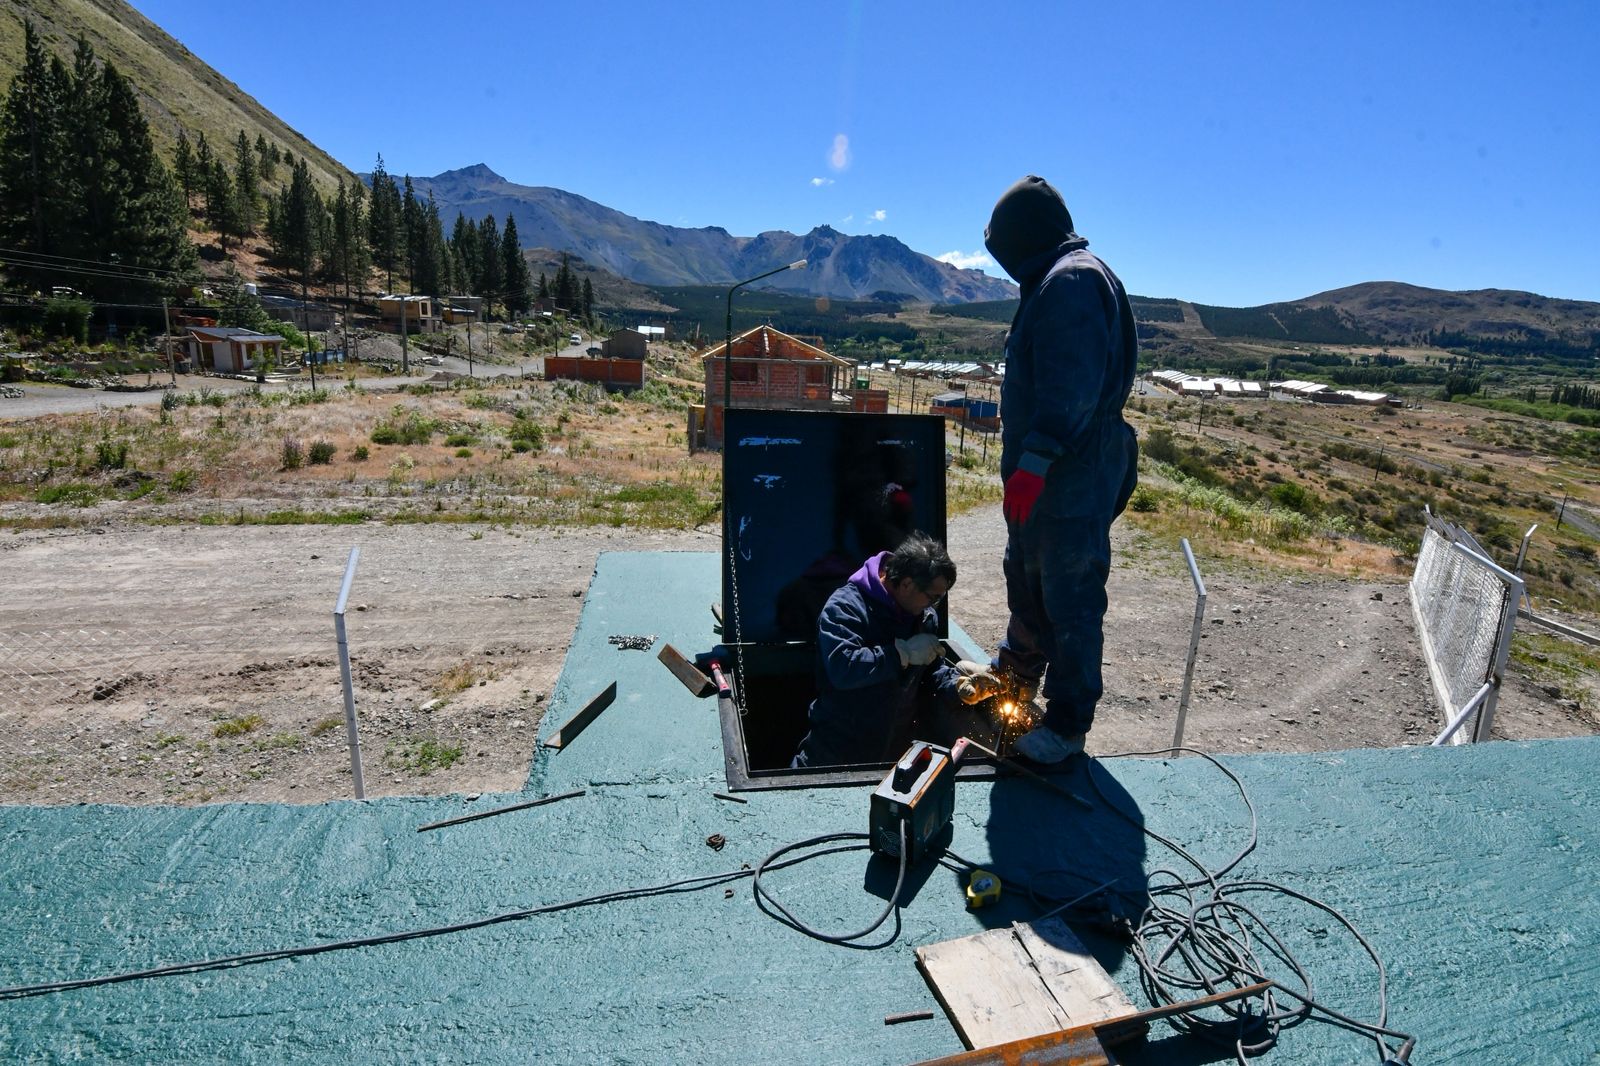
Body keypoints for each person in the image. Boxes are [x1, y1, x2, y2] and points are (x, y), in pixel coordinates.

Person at [982, 175, 1139, 765]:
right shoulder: (1052, 279)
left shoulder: (1071, 281)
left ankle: (1067, 726)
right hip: (1047, 477)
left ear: (1023, 235)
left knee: (1070, 598)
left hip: (1067, 477)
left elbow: (1071, 387)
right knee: (1028, 579)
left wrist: (1037, 459)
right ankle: (1016, 676)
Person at [792, 533, 986, 768]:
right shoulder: (845, 608)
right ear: (906, 584)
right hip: (835, 750)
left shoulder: (923, 617)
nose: (934, 606)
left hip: (892, 750)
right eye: (933, 597)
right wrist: (900, 654)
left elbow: (927, 672)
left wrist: (957, 685)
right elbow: (843, 668)